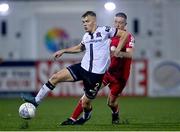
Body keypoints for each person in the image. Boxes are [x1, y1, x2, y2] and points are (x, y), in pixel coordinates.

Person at [22, 11, 129, 123]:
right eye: (83, 22)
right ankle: (36, 101)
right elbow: (80, 48)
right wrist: (64, 50)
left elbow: (124, 35)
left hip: (95, 76)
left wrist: (118, 49)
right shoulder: (86, 36)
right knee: (55, 77)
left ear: (94, 21)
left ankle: (87, 116)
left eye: (87, 21)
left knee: (85, 103)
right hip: (82, 68)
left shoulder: (105, 30)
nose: (84, 24)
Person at [61, 12, 135, 125]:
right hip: (106, 73)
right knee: (86, 97)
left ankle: (115, 114)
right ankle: (73, 119)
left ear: (125, 24)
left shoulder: (128, 37)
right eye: (116, 22)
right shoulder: (108, 35)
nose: (117, 25)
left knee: (111, 102)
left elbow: (130, 55)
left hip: (120, 78)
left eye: (121, 23)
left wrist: (119, 53)